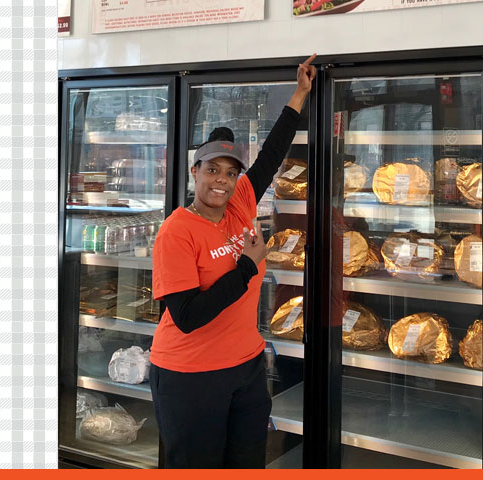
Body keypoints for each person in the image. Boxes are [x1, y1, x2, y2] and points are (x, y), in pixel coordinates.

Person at [149, 54, 317, 469]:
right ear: (195, 171)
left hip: (245, 367)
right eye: (212, 170)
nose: (221, 180)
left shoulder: (240, 204)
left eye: (229, 171)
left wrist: (300, 93)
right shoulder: (177, 231)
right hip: (189, 375)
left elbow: (273, 153)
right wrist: (245, 267)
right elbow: (187, 315)